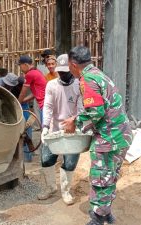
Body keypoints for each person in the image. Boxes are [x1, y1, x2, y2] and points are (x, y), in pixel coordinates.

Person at [62, 46, 133, 225]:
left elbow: (95, 112)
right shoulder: (99, 74)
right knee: (110, 176)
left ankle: (98, 218)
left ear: (73, 64)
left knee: (100, 178)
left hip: (108, 139)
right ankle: (106, 212)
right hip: (120, 137)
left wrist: (74, 122)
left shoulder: (88, 79)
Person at [38, 54, 84, 205]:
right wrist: (45, 127)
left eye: (65, 71)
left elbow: (81, 108)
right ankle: (51, 187)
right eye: (60, 71)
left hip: (72, 131)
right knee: (46, 159)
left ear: (71, 68)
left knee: (69, 163)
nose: (62, 74)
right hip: (54, 129)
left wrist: (75, 121)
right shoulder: (51, 85)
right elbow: (48, 106)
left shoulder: (78, 85)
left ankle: (65, 190)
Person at [17, 55, 47, 122]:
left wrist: (17, 104)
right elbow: (34, 94)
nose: (20, 68)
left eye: (20, 65)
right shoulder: (36, 71)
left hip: (44, 104)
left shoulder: (30, 74)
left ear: (25, 64)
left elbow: (23, 93)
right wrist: (23, 101)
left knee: (45, 129)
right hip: (46, 103)